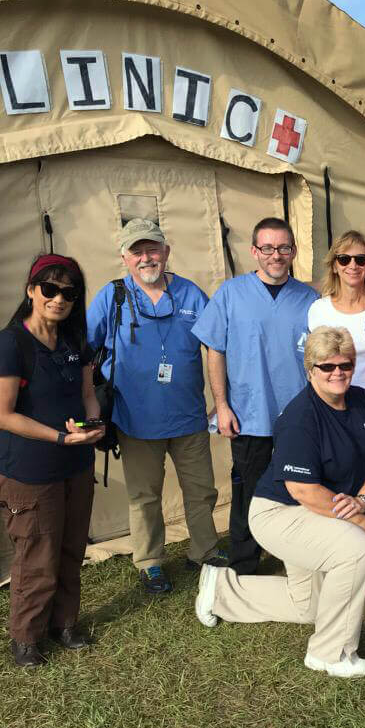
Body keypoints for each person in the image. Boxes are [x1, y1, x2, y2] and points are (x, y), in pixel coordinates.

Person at [194, 327, 365, 678]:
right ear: (310, 369)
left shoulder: (361, 399)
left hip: (325, 510)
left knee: (313, 605)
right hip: (281, 514)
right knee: (359, 550)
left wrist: (362, 501)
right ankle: (329, 653)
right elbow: (303, 491)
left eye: (344, 365)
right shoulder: (300, 417)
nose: (337, 373)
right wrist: (362, 522)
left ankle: (220, 591)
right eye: (326, 366)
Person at [87, 219, 224, 595]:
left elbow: (217, 346)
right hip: (135, 419)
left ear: (166, 252)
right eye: (137, 251)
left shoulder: (191, 294)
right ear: (124, 258)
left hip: (189, 417)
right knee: (144, 496)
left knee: (201, 491)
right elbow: (84, 350)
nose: (146, 258)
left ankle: (205, 552)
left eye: (152, 249)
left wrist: (220, 401)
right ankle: (150, 563)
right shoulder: (112, 297)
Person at [0, 254, 104, 667]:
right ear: (31, 290)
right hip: (28, 471)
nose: (59, 298)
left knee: (71, 547)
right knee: (38, 552)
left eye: (69, 292)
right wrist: (58, 437)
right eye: (49, 289)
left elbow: (87, 392)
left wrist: (93, 424)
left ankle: (64, 624)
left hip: (74, 463)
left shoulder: (73, 341)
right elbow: (0, 415)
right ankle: (26, 638)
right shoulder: (9, 344)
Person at [192, 217, 318, 576]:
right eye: (267, 248)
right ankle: (244, 564)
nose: (275, 255)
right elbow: (214, 350)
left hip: (299, 415)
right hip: (249, 413)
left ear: (293, 251)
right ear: (254, 251)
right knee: (249, 488)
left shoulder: (310, 300)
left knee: (300, 486)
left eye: (283, 248)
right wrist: (222, 405)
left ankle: (296, 558)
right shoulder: (231, 294)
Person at [307, 230, 365, 521]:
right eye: (344, 258)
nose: (353, 265)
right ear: (334, 264)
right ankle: (350, 550)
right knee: (342, 485)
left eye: (361, 259)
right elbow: (314, 364)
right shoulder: (318, 310)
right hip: (335, 408)